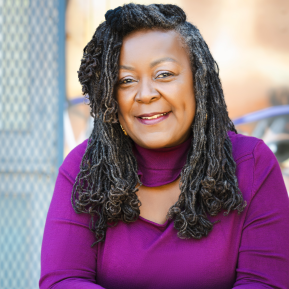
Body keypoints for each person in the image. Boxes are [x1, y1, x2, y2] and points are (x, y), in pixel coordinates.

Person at [39, 3, 289, 289]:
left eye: (164, 74)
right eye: (126, 80)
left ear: (198, 80)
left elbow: (265, 283)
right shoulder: (84, 169)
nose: (145, 94)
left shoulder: (252, 165)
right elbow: (64, 280)